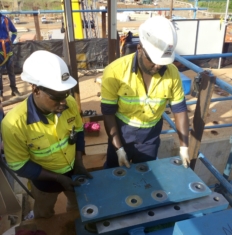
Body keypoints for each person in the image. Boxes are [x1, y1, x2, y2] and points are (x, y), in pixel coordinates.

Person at [1, 50, 92, 219]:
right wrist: (58, 178)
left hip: (73, 171)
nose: (64, 102)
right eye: (57, 96)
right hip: (43, 181)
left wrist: (78, 162)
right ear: (35, 90)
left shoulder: (69, 103)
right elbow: (19, 165)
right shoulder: (14, 124)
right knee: (44, 215)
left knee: (78, 208)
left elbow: (78, 131)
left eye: (66, 93)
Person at [101, 16, 190, 169]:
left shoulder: (172, 73)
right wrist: (118, 148)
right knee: (115, 174)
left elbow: (180, 110)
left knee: (146, 176)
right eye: (153, 60)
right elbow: (108, 112)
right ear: (140, 48)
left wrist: (184, 147)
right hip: (121, 132)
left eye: (162, 62)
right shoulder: (114, 72)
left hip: (150, 137)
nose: (157, 66)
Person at [0, 13, 21, 102]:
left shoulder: (6, 20)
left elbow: (14, 31)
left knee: (11, 71)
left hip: (8, 50)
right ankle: (0, 93)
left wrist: (11, 40)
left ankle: (14, 89)